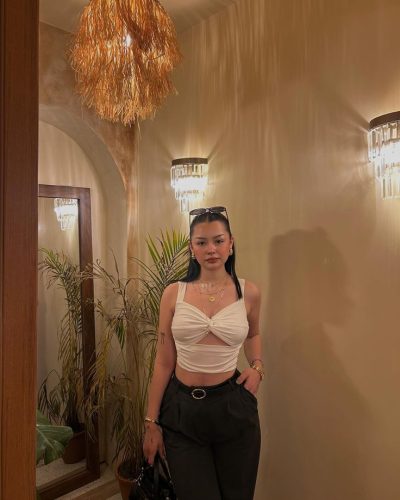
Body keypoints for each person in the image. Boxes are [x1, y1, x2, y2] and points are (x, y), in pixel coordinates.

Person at [143, 206, 263, 500]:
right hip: (183, 411)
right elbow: (163, 362)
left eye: (218, 241)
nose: (211, 249)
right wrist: (150, 422)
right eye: (202, 242)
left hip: (232, 407)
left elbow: (253, 333)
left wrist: (257, 366)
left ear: (231, 244)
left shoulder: (249, 292)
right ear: (191, 248)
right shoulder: (173, 294)